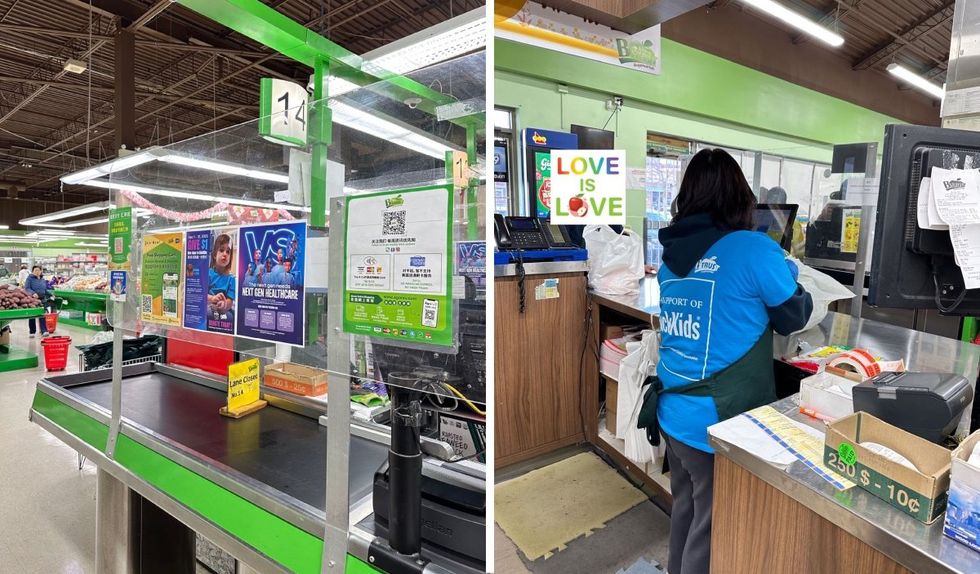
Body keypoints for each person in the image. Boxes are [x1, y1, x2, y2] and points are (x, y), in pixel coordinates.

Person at [647, 149, 812, 574]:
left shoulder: (670, 253)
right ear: (740, 197)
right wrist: (789, 275)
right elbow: (793, 315)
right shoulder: (753, 247)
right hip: (717, 420)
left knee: (686, 507)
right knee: (714, 525)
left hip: (673, 410)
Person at [207, 233, 236, 316]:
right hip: (209, 305)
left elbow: (230, 301)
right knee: (208, 313)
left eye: (228, 252)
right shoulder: (208, 274)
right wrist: (212, 298)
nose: (225, 254)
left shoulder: (232, 279)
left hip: (224, 310)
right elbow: (201, 294)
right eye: (221, 250)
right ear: (214, 255)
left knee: (230, 317)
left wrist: (224, 305)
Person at [24, 265, 50, 338]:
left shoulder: (42, 279)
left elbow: (44, 290)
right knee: (32, 315)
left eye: (38, 270)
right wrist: (33, 293)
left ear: (41, 271)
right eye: (35, 270)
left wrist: (51, 295)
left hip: (42, 299)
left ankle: (44, 331)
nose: (37, 272)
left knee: (42, 315)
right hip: (32, 300)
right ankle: (32, 332)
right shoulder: (29, 279)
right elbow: (27, 288)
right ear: (32, 271)